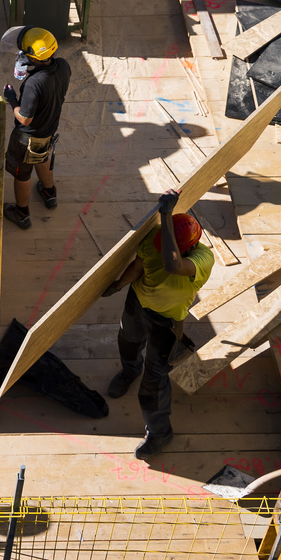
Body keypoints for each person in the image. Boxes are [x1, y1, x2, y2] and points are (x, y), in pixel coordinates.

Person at [102, 192, 214, 460]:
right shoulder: (157, 235)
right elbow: (139, 265)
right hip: (137, 302)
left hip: (166, 323)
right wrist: (118, 286)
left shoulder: (202, 259)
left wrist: (165, 214)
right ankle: (130, 371)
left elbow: (172, 264)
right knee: (127, 340)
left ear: (188, 247)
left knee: (155, 380)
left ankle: (160, 433)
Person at [0, 26, 71, 230]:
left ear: (34, 58)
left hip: (26, 138)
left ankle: (22, 213)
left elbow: (24, 119)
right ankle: (49, 193)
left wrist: (12, 100)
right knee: (43, 157)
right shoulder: (64, 66)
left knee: (22, 174)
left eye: (25, 54)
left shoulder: (34, 83)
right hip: (48, 129)